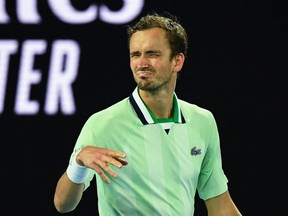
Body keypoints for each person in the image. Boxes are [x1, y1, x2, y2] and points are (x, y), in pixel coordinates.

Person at [53, 12, 242, 216]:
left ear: (177, 62)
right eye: (135, 54)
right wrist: (79, 163)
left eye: (152, 54)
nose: (141, 63)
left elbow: (220, 206)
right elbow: (63, 204)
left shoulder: (203, 121)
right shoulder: (102, 124)